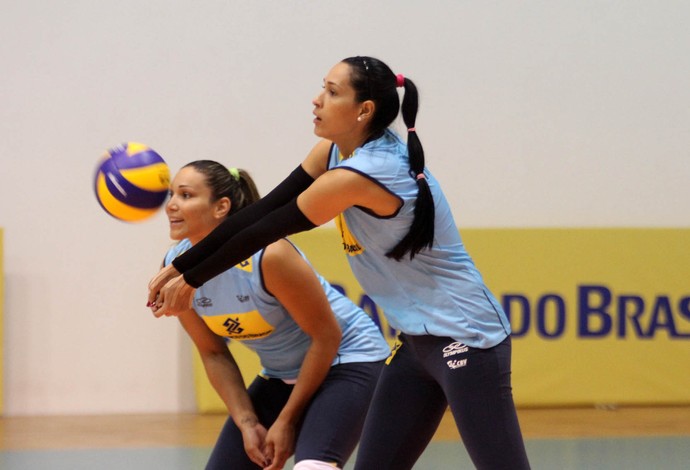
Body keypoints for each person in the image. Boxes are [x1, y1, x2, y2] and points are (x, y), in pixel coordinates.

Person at [149, 56, 531, 469]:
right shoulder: (331, 153)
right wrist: (180, 268)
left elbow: (267, 230)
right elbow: (254, 215)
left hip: (467, 336)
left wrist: (191, 277)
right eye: (322, 88)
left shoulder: (360, 174)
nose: (317, 100)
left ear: (364, 110)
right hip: (416, 344)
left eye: (332, 93)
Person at [157, 160, 390, 470]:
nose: (171, 205)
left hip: (349, 360)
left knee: (312, 467)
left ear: (221, 207)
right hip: (282, 375)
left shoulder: (269, 256)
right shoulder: (174, 266)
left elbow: (326, 337)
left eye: (185, 195)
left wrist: (287, 421)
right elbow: (212, 352)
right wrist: (247, 421)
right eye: (171, 194)